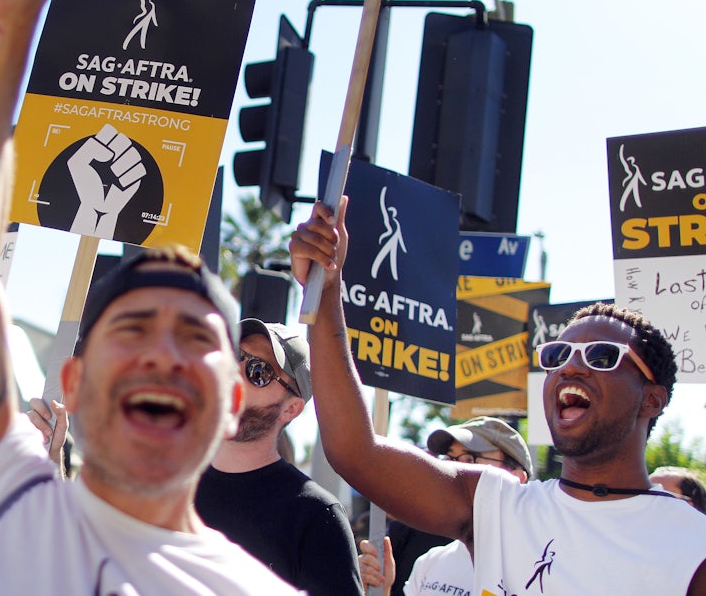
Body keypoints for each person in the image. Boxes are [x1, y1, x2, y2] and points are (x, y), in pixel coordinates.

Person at [0, 0, 298, 593]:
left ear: (234, 398)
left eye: (197, 335)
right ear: (74, 375)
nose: (161, 352)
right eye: (132, 326)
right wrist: (10, 33)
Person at [289, 198, 706, 595]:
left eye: (601, 356)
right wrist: (327, 290)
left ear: (652, 399)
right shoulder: (496, 507)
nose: (569, 368)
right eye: (557, 355)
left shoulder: (691, 546)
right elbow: (355, 453)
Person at [194, 319, 363, 595]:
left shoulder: (316, 515)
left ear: (291, 409)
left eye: (258, 371)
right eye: (234, 356)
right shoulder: (169, 483)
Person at [359, 417, 532, 595]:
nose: (454, 470)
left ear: (516, 479)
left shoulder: (540, 567)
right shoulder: (431, 562)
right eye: (449, 458)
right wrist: (381, 588)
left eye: (470, 459)